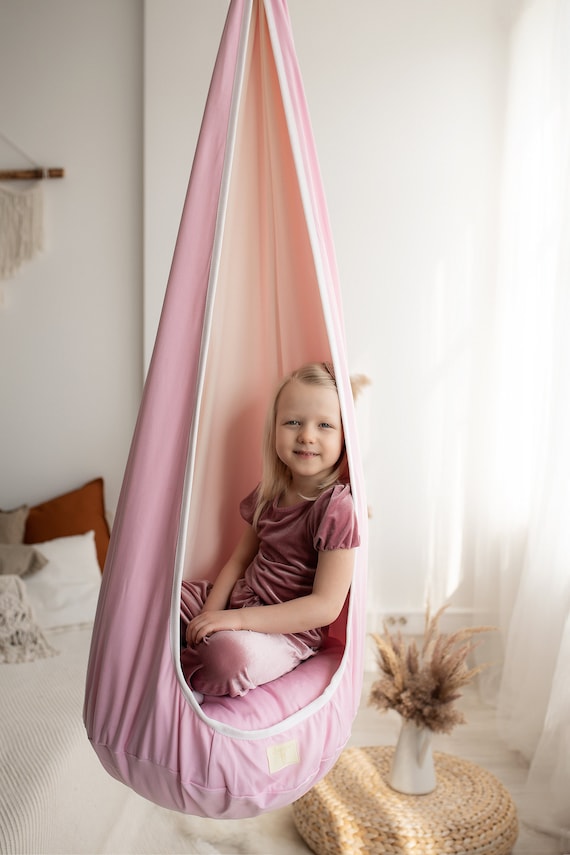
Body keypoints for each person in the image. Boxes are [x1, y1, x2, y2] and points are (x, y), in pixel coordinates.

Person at [180, 361, 360, 698]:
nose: (307, 434)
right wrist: (210, 615)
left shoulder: (337, 508)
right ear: (274, 429)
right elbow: (238, 562)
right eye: (293, 422)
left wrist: (232, 623)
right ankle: (184, 656)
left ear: (345, 437)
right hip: (240, 605)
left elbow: (325, 606)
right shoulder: (271, 492)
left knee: (227, 657)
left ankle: (190, 677)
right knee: (155, 599)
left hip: (284, 634)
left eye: (324, 425)